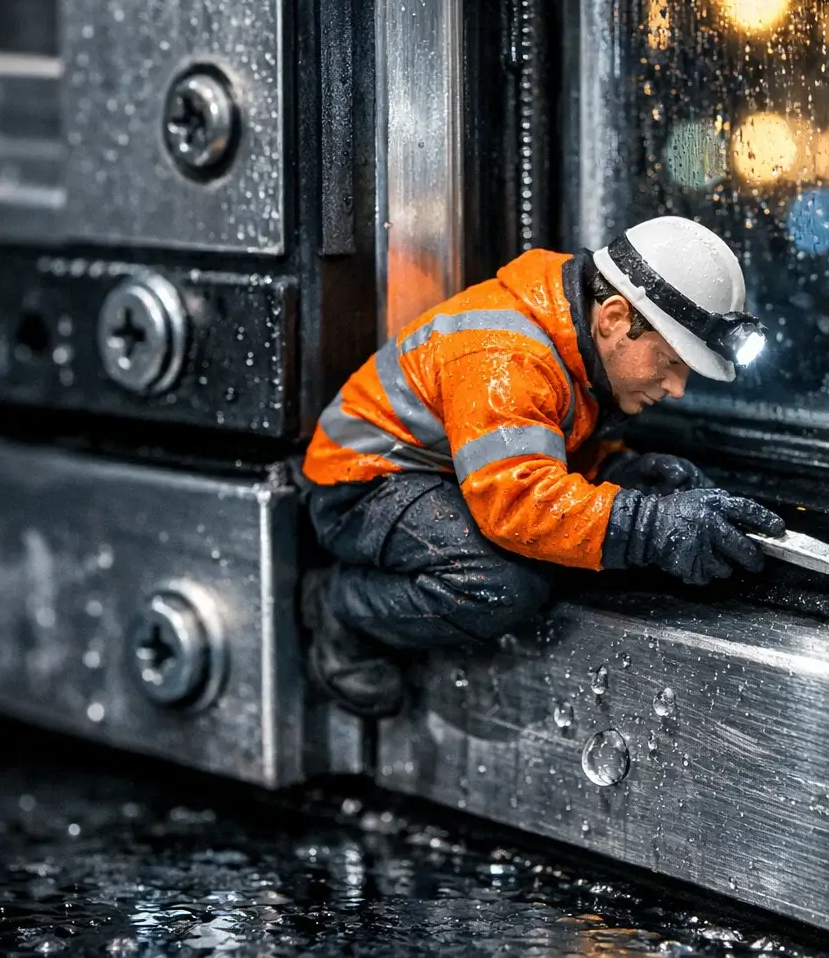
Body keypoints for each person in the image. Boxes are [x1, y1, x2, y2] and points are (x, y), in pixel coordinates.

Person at [297, 216, 784, 716]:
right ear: (614, 317)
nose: (677, 388)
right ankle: (341, 608)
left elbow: (531, 444)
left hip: (436, 475)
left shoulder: (571, 345)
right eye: (669, 361)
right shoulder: (504, 354)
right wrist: (647, 525)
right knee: (500, 585)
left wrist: (618, 473)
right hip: (361, 484)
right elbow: (515, 503)